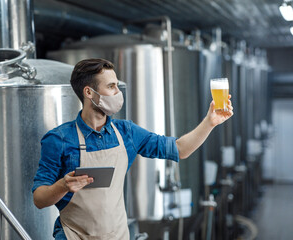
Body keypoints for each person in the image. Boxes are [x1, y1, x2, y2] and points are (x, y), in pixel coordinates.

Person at [32, 58, 233, 240]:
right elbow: (39, 199)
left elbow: (179, 149)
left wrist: (210, 122)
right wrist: (63, 186)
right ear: (88, 92)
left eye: (117, 86)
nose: (117, 93)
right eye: (111, 86)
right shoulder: (58, 139)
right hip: (73, 236)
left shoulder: (126, 132)